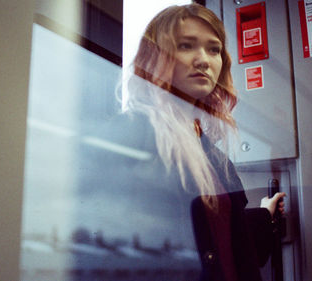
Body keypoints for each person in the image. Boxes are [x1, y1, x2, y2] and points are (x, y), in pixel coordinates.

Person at [120, 3, 286, 281]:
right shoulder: (134, 135)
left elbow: (224, 241)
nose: (204, 60)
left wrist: (265, 214)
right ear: (155, 57)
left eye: (214, 49)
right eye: (186, 46)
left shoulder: (211, 152)